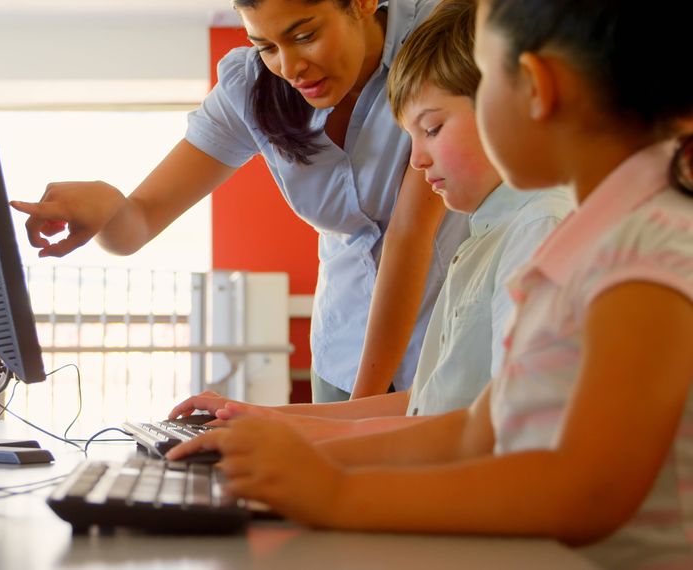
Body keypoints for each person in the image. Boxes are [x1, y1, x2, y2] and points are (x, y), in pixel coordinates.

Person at [167, 0, 693, 567]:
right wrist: (296, 449)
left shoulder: (643, 247)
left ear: (536, 88)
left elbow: (589, 491)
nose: (414, 160)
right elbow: (474, 431)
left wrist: (337, 495)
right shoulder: (584, 241)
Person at [12, 0, 470, 403]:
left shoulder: (434, 37)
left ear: (364, 2)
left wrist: (355, 416)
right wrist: (108, 205)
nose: (290, 68)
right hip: (346, 350)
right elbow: (137, 225)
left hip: (455, 334)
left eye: (304, 35)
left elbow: (410, 236)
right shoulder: (249, 88)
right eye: (266, 46)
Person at [167, 0, 573, 440]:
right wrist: (261, 420)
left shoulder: (538, 231)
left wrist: (327, 468)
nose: (415, 160)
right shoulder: (480, 241)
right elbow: (428, 403)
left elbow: (497, 439)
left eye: (432, 129)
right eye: (265, 46)